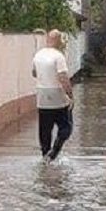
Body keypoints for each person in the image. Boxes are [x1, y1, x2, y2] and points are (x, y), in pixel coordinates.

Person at [32, 29, 73, 163]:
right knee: (66, 127)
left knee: (45, 128)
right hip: (56, 94)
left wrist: (44, 78)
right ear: (58, 40)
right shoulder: (58, 56)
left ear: (48, 39)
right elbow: (63, 77)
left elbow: (34, 73)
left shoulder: (38, 55)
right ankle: (53, 153)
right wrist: (70, 95)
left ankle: (45, 156)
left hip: (42, 95)